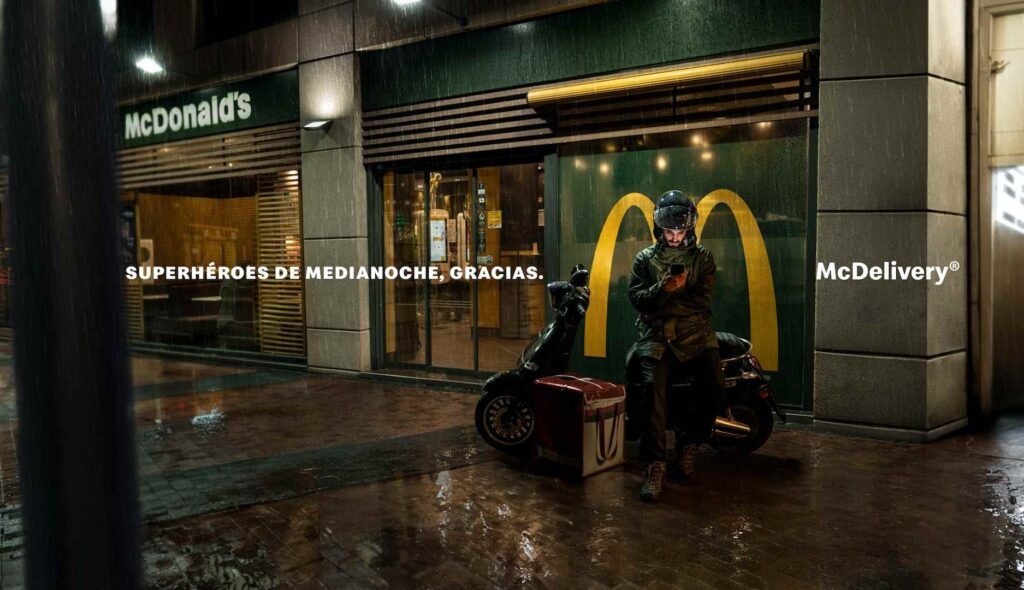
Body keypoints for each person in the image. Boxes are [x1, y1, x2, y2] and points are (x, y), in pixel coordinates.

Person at [628, 190, 725, 502]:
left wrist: (659, 303)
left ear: (689, 229)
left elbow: (702, 301)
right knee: (649, 391)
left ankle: (690, 444)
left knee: (715, 385)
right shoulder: (644, 259)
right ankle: (655, 464)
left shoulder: (703, 258)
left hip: (696, 334)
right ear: (659, 229)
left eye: (679, 230)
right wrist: (663, 288)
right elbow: (636, 298)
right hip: (655, 337)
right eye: (669, 230)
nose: (673, 236)